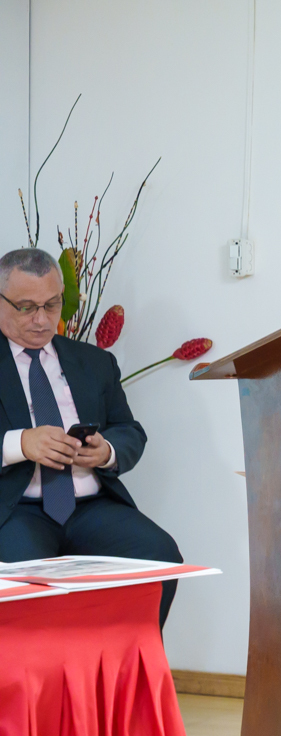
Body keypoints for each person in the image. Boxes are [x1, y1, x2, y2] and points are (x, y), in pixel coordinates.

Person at [0, 247, 181, 628]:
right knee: (29, 587)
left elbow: (130, 430)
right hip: (15, 511)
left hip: (91, 508)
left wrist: (106, 451)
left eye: (52, 305)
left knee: (159, 554)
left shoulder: (94, 362)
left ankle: (127, 675)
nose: (41, 319)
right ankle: (42, 685)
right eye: (26, 307)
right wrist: (20, 444)